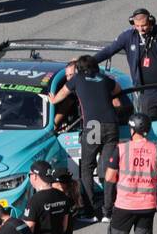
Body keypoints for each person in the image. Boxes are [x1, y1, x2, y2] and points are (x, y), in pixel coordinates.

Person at [47, 56, 125, 222]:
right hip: (111, 124)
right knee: (109, 168)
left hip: (94, 125)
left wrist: (53, 100)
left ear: (79, 70)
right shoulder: (105, 78)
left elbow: (62, 94)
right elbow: (117, 90)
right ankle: (108, 212)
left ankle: (89, 211)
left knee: (87, 168)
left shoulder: (77, 79)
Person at [93, 9, 157, 119]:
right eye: (137, 26)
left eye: (144, 25)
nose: (141, 29)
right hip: (146, 93)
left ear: (151, 21)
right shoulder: (128, 37)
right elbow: (108, 51)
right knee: (151, 125)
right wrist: (88, 62)